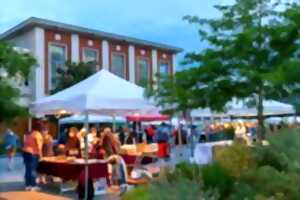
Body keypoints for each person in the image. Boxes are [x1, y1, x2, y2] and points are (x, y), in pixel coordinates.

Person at [23, 126, 43, 191]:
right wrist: (40, 155)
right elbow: (38, 145)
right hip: (33, 153)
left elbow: (24, 143)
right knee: (32, 170)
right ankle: (33, 186)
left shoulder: (28, 134)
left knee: (27, 169)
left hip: (25, 152)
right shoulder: (37, 134)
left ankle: (27, 185)